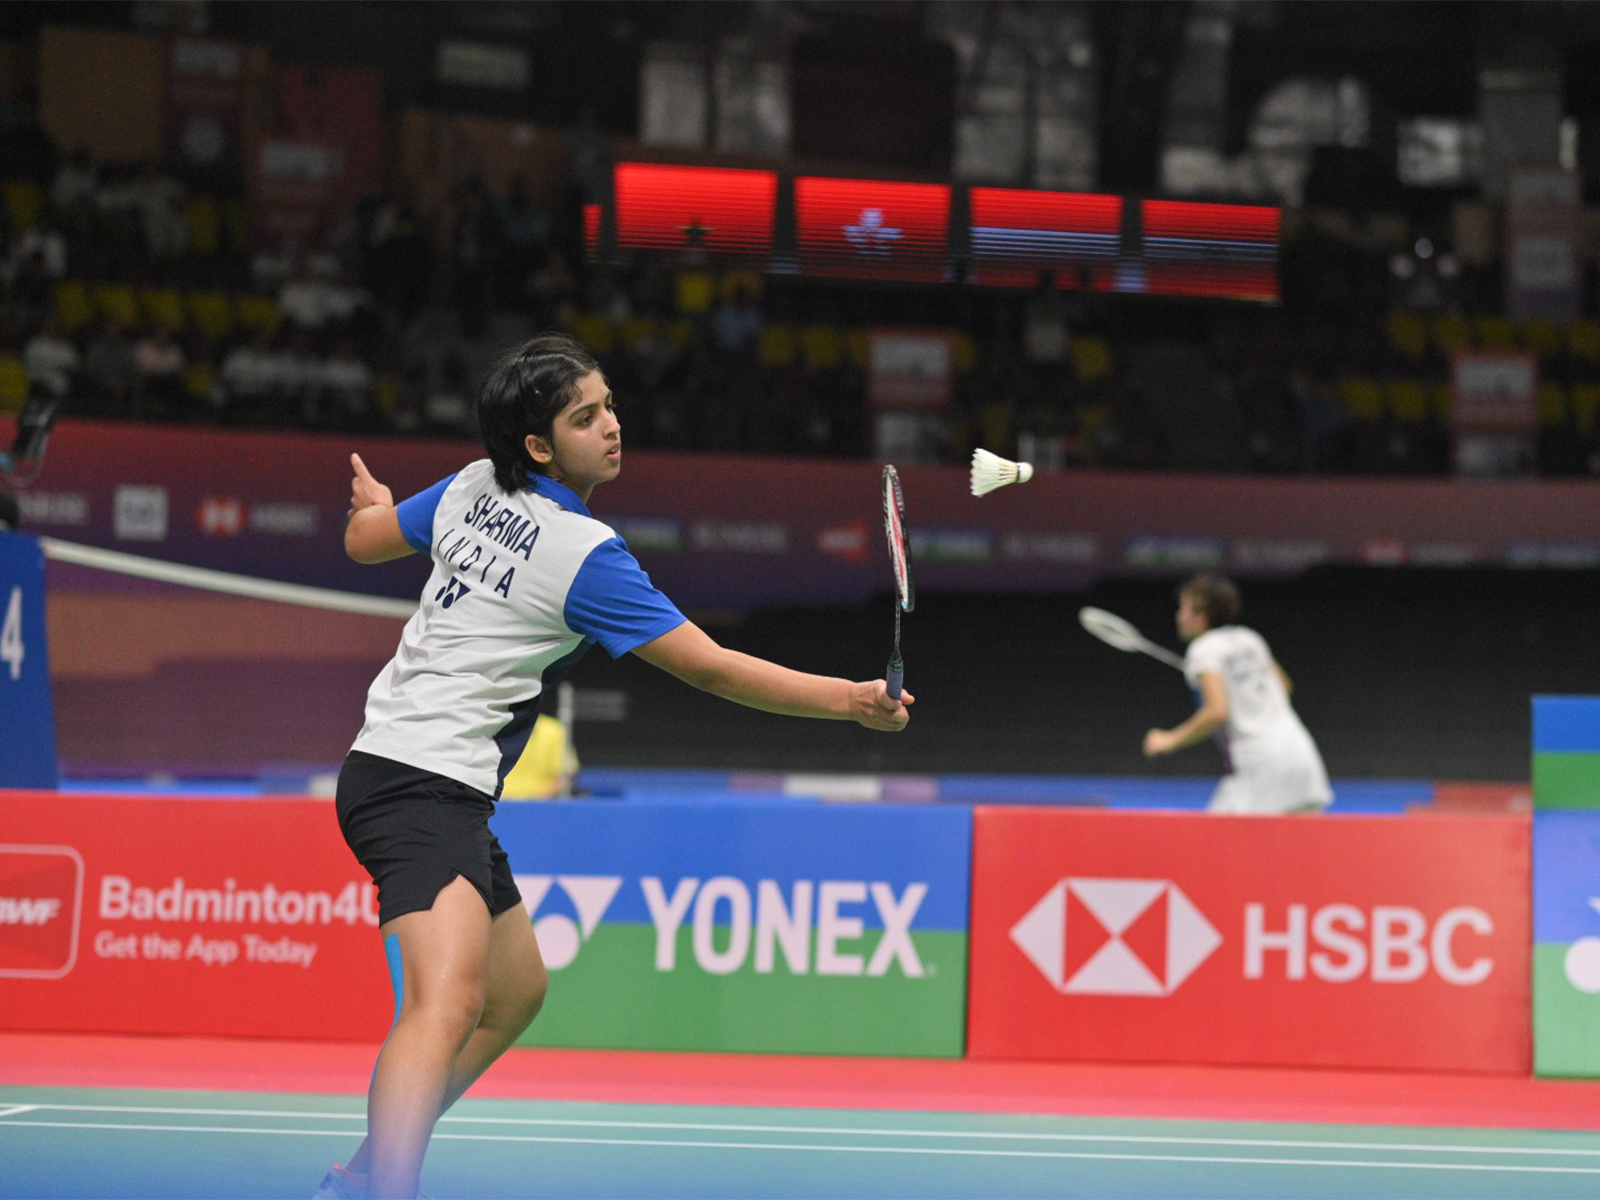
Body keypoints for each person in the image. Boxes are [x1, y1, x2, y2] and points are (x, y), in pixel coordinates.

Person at [317, 331, 912, 1200]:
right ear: (538, 446)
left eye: (609, 406)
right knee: (442, 1007)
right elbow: (710, 666)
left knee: (514, 993)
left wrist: (374, 504)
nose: (611, 426)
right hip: (420, 781)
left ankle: (368, 1172)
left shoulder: (471, 486)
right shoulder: (582, 554)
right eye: (585, 417)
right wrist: (849, 701)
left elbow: (365, 541)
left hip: (423, 778)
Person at [1141, 573, 1331, 816]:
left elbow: (1217, 712)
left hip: (1259, 769)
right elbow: (1284, 686)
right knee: (1300, 853)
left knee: (1214, 848)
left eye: (1184, 608)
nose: (1179, 616)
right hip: (1302, 758)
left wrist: (1169, 740)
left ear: (1201, 615)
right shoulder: (1250, 638)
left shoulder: (1202, 650)